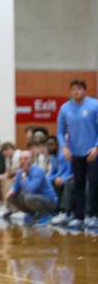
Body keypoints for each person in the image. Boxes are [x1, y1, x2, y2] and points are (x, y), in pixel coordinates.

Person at [56, 79, 98, 230]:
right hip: (75, 154)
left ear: (85, 90)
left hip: (92, 153)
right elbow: (60, 132)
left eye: (79, 89)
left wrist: (96, 148)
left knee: (94, 184)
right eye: (73, 89)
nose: (76, 92)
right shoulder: (65, 108)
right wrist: (64, 148)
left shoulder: (94, 105)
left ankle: (93, 215)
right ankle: (79, 216)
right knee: (78, 185)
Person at [5, 150, 58, 225]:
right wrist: (11, 191)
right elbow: (15, 186)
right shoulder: (20, 171)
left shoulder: (38, 171)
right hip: (34, 198)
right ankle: (31, 214)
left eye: (26, 158)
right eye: (21, 159)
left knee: (28, 197)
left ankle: (45, 216)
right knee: (12, 197)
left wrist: (24, 178)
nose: (23, 161)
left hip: (49, 202)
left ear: (31, 160)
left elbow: (31, 189)